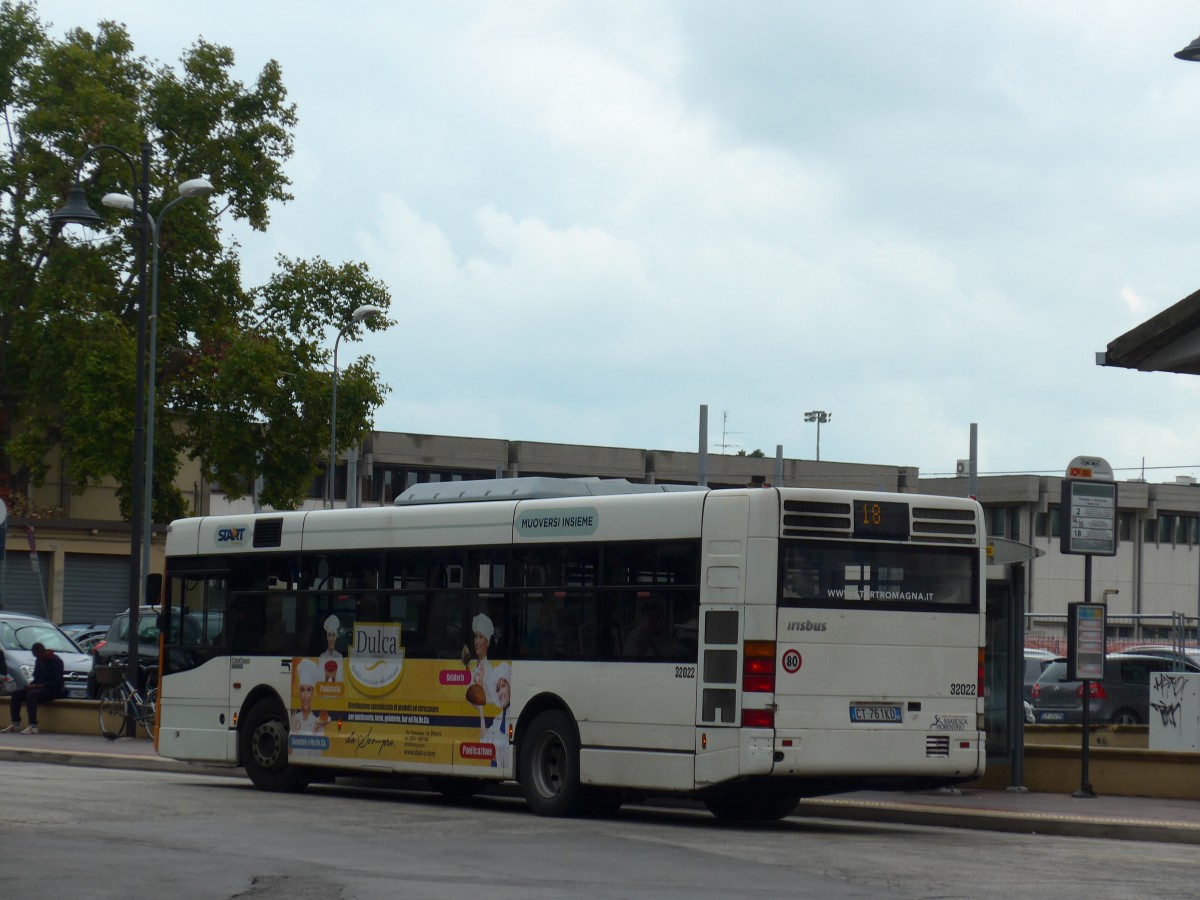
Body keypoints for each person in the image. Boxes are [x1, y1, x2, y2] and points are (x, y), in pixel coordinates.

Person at [3, 642, 65, 734]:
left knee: (32, 695)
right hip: (40, 687)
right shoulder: (39, 660)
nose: (37, 658)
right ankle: (15, 723)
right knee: (16, 694)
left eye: (38, 656)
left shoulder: (56, 661)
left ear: (42, 653)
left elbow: (58, 683)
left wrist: (40, 686)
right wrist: (31, 685)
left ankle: (33, 725)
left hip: (54, 690)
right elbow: (37, 678)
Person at [477, 661, 511, 769]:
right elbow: (484, 742)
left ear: (510, 687)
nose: (500, 692)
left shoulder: (517, 716)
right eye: (497, 689)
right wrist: (481, 711)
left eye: (503, 686)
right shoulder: (498, 719)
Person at [290, 659, 326, 735]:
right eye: (302, 690)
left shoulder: (318, 723)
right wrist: (294, 730)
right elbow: (290, 746)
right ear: (299, 692)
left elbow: (319, 746)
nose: (305, 695)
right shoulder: (293, 719)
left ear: (313, 692)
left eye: (309, 690)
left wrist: (315, 728)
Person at [318, 614, 343, 681]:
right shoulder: (322, 656)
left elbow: (340, 679)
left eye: (333, 635)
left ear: (336, 637)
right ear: (326, 637)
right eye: (329, 635)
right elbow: (320, 678)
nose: (331, 639)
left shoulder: (339, 656)